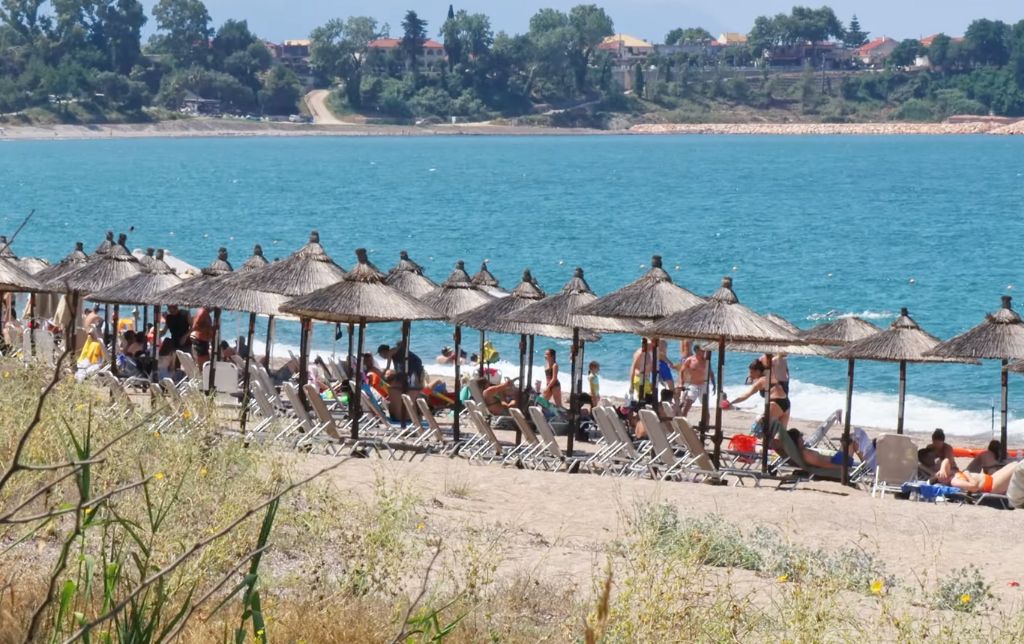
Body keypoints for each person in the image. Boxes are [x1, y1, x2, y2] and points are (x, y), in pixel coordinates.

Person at [729, 359, 791, 430]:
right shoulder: (771, 376)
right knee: (779, 436)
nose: (750, 375)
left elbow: (746, 395)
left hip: (775, 403)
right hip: (786, 404)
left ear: (758, 371)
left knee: (758, 427)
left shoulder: (761, 381)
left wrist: (731, 402)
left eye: (751, 372)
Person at [677, 345, 711, 418]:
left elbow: (710, 372)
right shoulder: (690, 360)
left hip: (703, 385)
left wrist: (714, 383)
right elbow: (682, 371)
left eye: (704, 351)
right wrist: (681, 382)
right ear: (697, 351)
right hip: (693, 385)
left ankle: (706, 425)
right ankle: (682, 421)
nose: (704, 352)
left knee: (705, 407)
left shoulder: (706, 360)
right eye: (702, 351)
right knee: (688, 405)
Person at [948, 461, 1019, 495]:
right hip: (992, 485)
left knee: (1014, 463)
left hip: (992, 478)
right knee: (1018, 467)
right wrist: (968, 474)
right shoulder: (954, 481)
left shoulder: (955, 475)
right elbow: (974, 487)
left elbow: (946, 461)